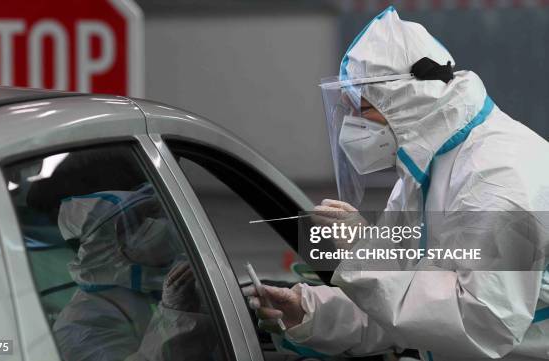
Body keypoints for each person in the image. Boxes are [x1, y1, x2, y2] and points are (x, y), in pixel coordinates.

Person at [244, 6, 549, 361]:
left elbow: (481, 325)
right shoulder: (423, 170)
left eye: (360, 108)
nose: (351, 127)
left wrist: (364, 253)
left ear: (405, 98)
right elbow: (399, 299)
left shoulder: (497, 179)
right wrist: (309, 312)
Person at [52, 183, 217, 361]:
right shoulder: (77, 328)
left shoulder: (162, 284)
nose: (156, 223)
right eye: (135, 222)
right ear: (97, 249)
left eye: (151, 213)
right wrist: (176, 319)